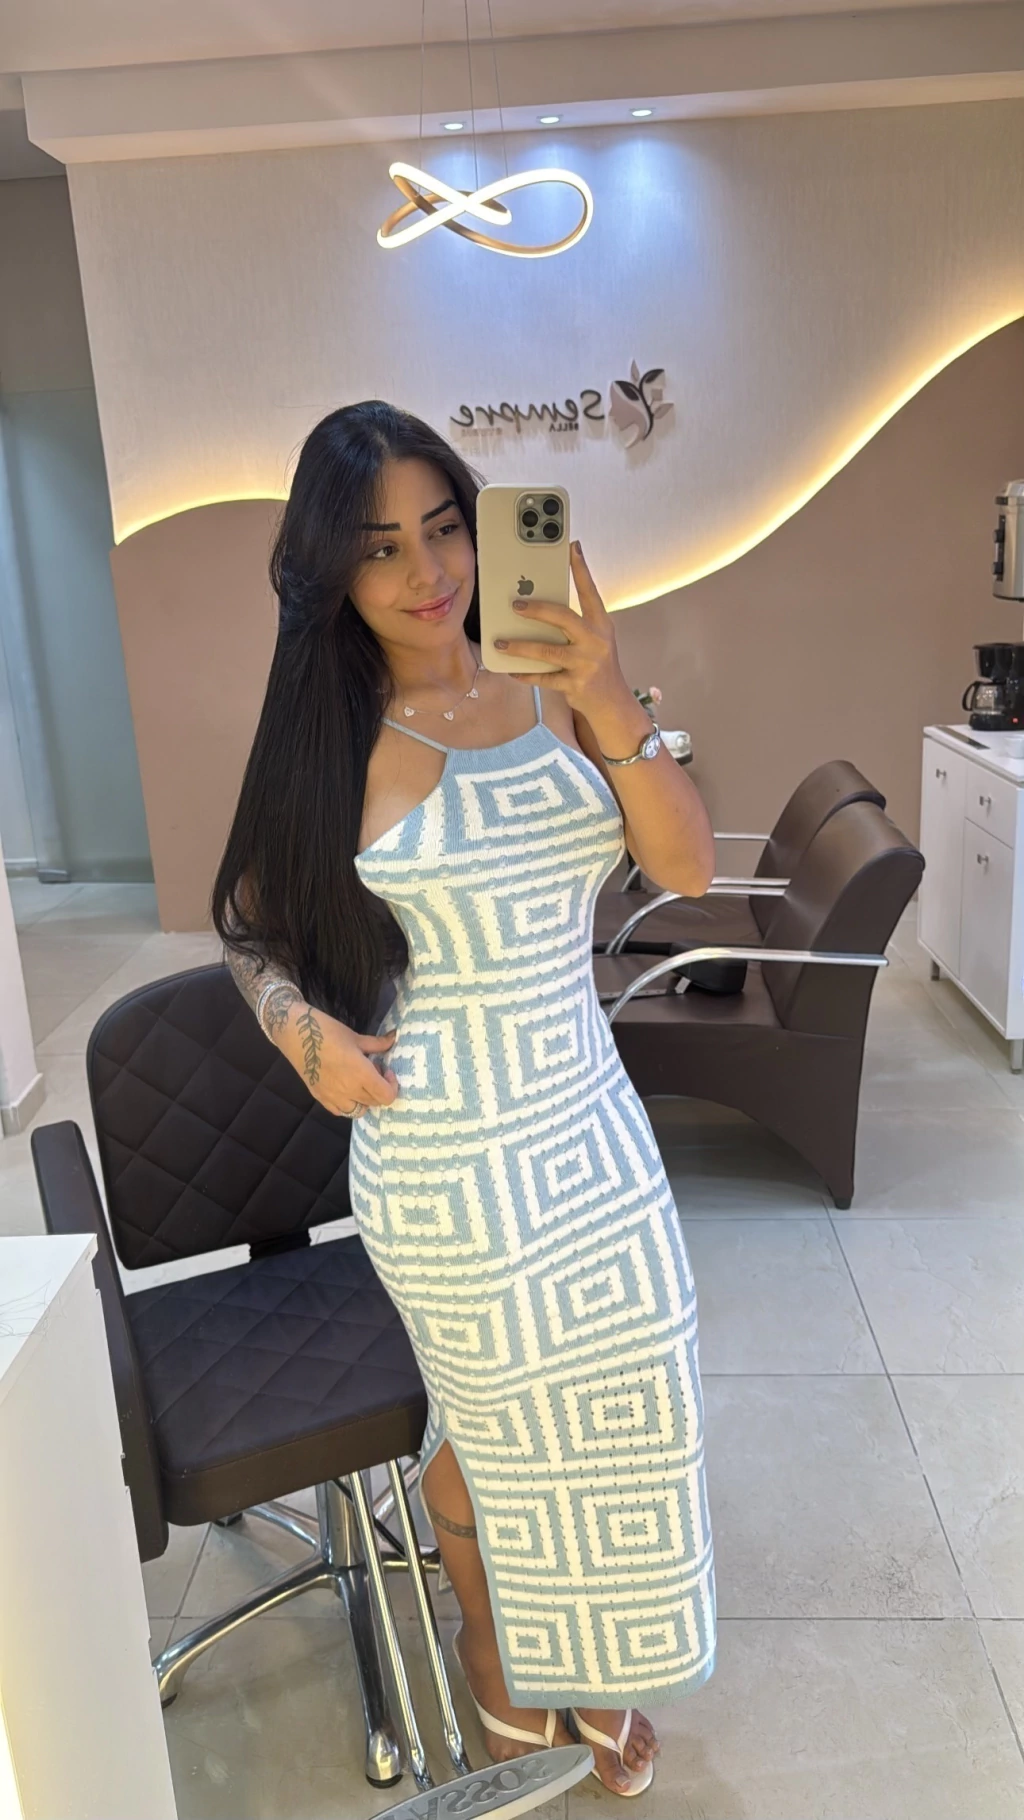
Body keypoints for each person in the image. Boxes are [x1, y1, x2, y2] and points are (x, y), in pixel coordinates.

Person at [214, 400, 718, 1797]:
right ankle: (501, 1658)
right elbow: (245, 928)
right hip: (443, 1157)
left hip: (591, 1128)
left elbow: (685, 870)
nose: (427, 571)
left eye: (445, 528)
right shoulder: (331, 736)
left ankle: (591, 1653)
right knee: (497, 1432)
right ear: (333, 572)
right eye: (380, 547)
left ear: (486, 528)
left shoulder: (560, 683)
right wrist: (300, 1032)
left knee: (630, 1395)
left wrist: (611, 688)